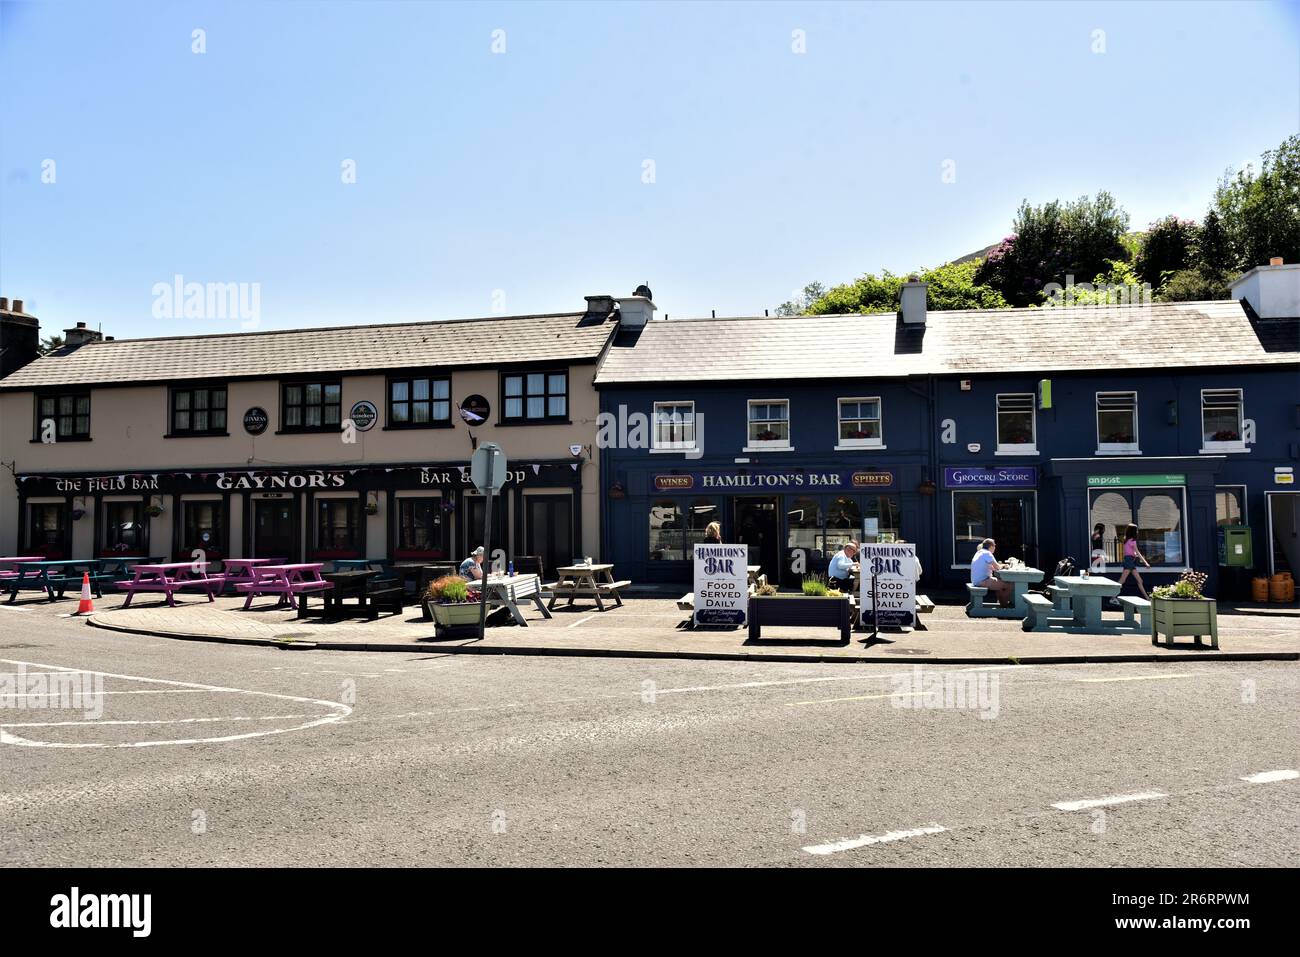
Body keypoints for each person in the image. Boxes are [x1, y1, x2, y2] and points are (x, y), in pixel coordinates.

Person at [970, 538, 1013, 606]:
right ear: (991, 546)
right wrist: (1005, 566)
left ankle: (1003, 604)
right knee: (1010, 585)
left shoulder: (979, 552)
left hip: (976, 580)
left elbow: (992, 567)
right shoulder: (987, 553)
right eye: (995, 545)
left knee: (999, 584)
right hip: (982, 581)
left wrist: (1002, 565)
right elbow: (997, 567)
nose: (995, 547)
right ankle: (1006, 605)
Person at [1117, 524, 1151, 598]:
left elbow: (1128, 552)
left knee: (1139, 581)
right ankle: (1112, 597)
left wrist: (1133, 554)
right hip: (1129, 561)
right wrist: (1146, 563)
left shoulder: (1126, 540)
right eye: (1136, 530)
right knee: (1122, 580)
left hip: (1129, 560)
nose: (1137, 531)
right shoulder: (1133, 541)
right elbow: (1138, 552)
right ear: (1133, 531)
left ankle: (1147, 598)